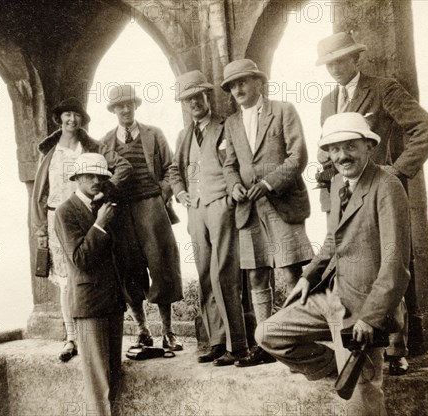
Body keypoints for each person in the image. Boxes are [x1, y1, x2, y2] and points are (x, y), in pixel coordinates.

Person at [260, 112, 411, 416]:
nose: (342, 156)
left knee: (363, 404)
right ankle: (343, 370)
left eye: (350, 146)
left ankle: (360, 375)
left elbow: (395, 263)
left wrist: (371, 317)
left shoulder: (387, 186)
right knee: (267, 334)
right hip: (330, 296)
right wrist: (307, 277)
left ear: (369, 146)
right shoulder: (338, 182)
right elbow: (333, 239)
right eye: (335, 149)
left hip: (364, 308)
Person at [315, 32, 428, 375]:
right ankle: (360, 341)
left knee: (390, 259)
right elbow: (331, 147)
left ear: (357, 59)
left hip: (381, 192)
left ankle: (397, 349)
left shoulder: (383, 88)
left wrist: (398, 172)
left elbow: (424, 127)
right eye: (329, 63)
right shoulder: (327, 101)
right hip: (346, 196)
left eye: (342, 60)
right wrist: (326, 173)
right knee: (355, 264)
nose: (336, 68)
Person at [221, 59, 313, 367]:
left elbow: (298, 155)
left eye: (244, 82)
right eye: (233, 86)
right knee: (258, 274)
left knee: (289, 271)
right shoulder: (231, 123)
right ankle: (265, 343)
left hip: (282, 203)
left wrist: (269, 183)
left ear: (259, 82)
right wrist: (234, 186)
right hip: (248, 207)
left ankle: (295, 337)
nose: (239, 89)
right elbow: (229, 165)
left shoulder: (283, 110)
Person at [31, 97, 131, 362]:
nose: (72, 120)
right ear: (59, 119)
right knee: (65, 281)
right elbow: (40, 192)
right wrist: (40, 227)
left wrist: (104, 194)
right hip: (56, 218)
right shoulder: (48, 151)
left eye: (77, 115)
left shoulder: (91, 147)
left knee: (86, 269)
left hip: (85, 215)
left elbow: (121, 167)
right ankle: (71, 337)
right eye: (67, 115)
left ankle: (90, 333)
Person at [168, 70, 248, 365]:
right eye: (188, 99)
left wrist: (229, 197)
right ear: (185, 104)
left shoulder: (225, 126)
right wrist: (180, 193)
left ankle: (237, 344)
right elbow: (174, 171)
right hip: (196, 211)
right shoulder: (183, 135)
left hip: (221, 206)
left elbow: (234, 163)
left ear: (207, 97)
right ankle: (216, 340)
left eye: (198, 97)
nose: (194, 103)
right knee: (204, 275)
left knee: (223, 273)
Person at [100, 84, 184, 351]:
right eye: (119, 106)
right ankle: (142, 330)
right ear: (114, 110)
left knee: (162, 266)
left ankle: (168, 332)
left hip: (152, 207)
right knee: (129, 270)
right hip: (122, 213)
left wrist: (163, 192)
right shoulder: (106, 142)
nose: (125, 110)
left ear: (135, 106)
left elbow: (171, 167)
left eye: (129, 105)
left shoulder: (154, 134)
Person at [55, 152, 126, 416]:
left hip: (112, 302)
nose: (97, 180)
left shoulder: (104, 206)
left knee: (113, 378)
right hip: (88, 306)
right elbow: (80, 258)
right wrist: (99, 225)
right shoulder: (65, 212)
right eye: (91, 175)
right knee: (98, 386)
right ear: (77, 178)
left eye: (101, 176)